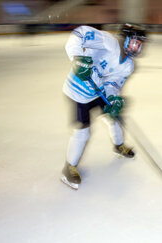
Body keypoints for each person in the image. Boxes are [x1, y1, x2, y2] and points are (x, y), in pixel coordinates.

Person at [61, 23, 146, 189]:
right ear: (125, 39)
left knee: (115, 118)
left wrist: (114, 99)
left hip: (97, 91)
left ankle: (118, 146)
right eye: (134, 42)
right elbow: (79, 34)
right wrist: (77, 58)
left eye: (139, 44)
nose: (136, 47)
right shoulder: (108, 42)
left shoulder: (129, 65)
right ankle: (68, 167)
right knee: (83, 132)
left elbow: (113, 83)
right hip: (77, 91)